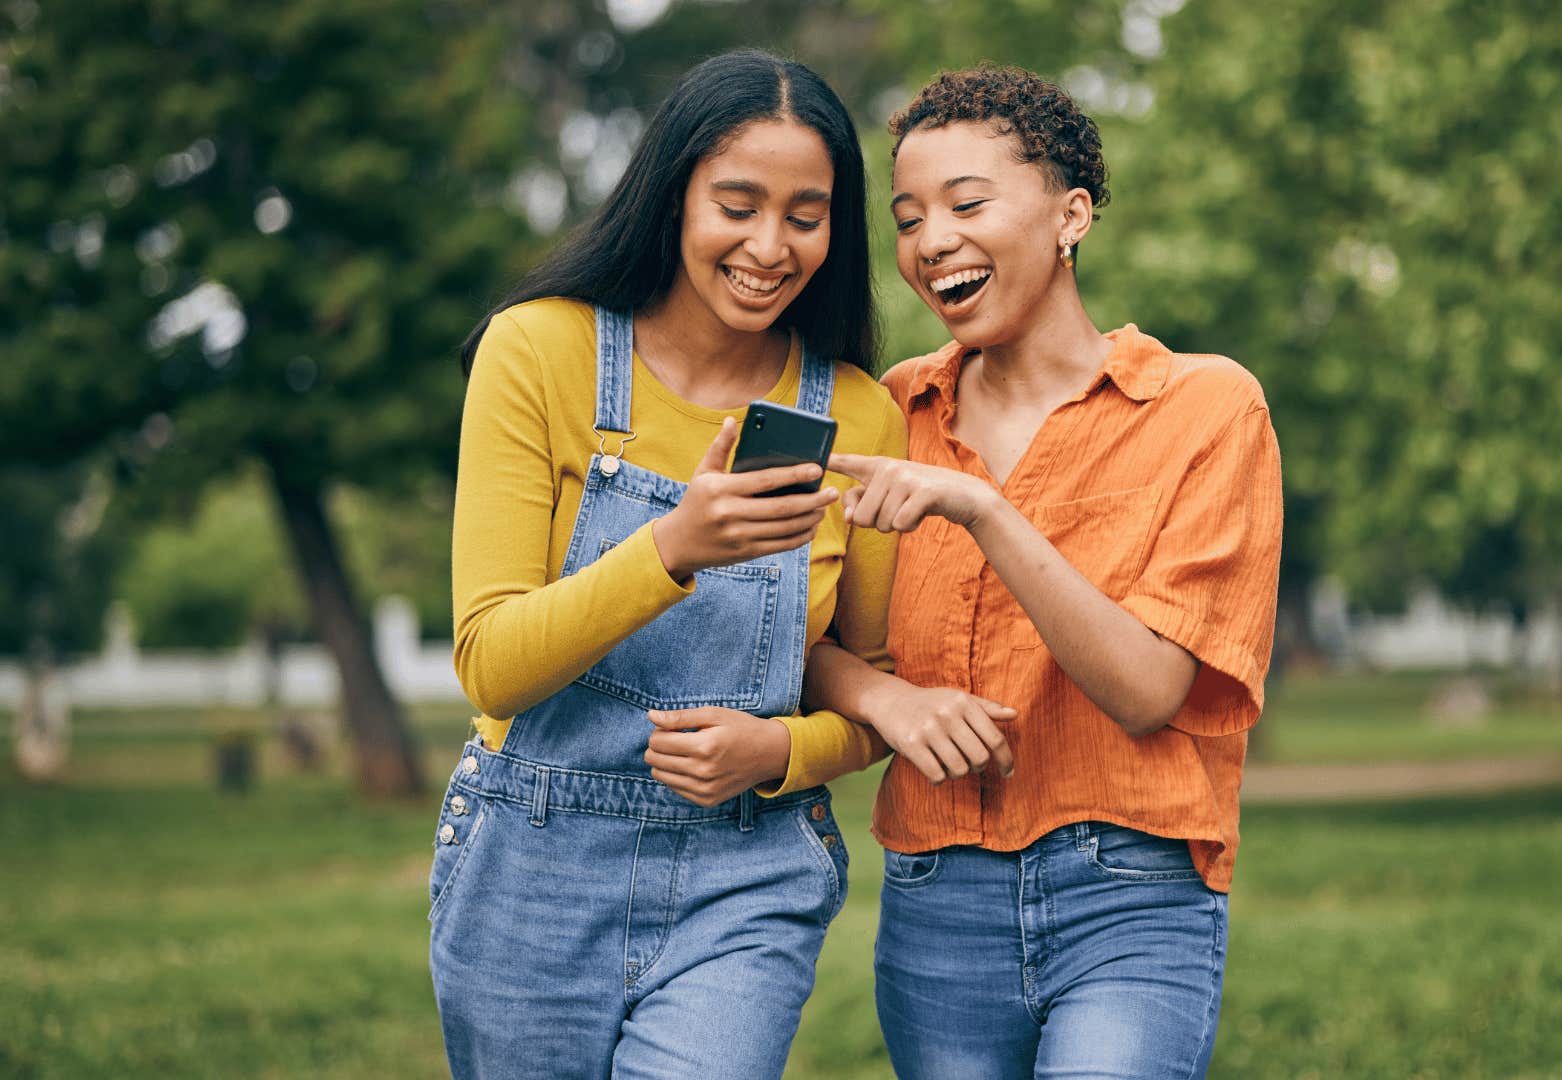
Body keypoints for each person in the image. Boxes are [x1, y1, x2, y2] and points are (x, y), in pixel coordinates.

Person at [428, 50, 903, 1079]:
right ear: (671, 193)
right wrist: (675, 548)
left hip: (748, 870)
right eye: (737, 204)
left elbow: (873, 694)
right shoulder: (538, 351)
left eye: (806, 215)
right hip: (530, 864)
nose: (770, 246)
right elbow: (491, 664)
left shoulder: (861, 416)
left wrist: (780, 754)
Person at [805, 64, 1284, 1079]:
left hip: (1132, 892)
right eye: (907, 217)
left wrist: (982, 509)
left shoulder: (1203, 409)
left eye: (967, 203)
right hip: (938, 899)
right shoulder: (891, 412)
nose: (931, 241)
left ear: (1071, 216)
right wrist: (886, 699)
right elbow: (803, 644)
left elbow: (1151, 689)